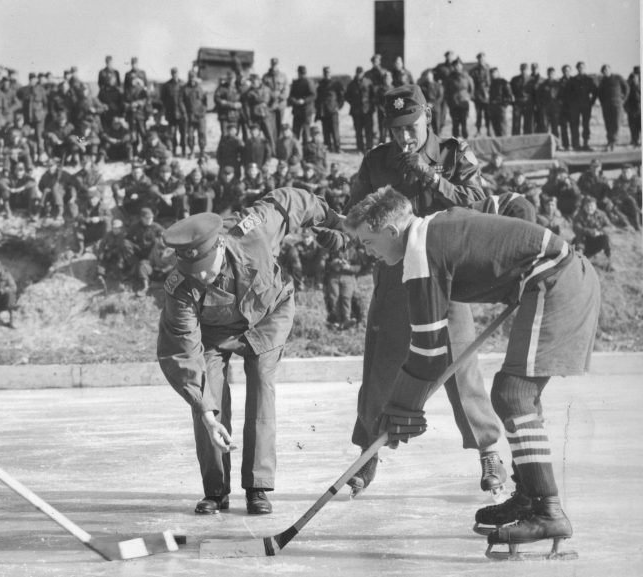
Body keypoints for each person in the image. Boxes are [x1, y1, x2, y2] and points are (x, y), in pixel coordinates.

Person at [343, 187, 599, 560]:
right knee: (510, 394)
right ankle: (531, 496)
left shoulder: (420, 253)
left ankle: (546, 511)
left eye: (368, 242)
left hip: (555, 280)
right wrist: (513, 253)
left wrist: (401, 408)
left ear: (392, 231)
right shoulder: (435, 224)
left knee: (514, 395)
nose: (368, 253)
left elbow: (429, 353)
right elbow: (514, 202)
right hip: (556, 276)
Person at [346, 84, 504, 499]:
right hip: (396, 282)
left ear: (428, 115)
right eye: (395, 129)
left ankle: (488, 451)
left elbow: (477, 201)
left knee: (461, 367)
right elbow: (356, 209)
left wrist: (432, 176)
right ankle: (368, 452)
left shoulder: (454, 154)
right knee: (381, 369)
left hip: (446, 280)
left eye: (411, 126)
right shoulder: (376, 161)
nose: (403, 137)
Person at [157, 188, 342, 516]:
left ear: (220, 245)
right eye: (192, 270)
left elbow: (287, 201)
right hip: (213, 333)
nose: (201, 275)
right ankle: (215, 491)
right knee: (208, 400)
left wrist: (331, 218)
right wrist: (205, 411)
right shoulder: (181, 287)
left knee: (261, 382)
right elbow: (182, 349)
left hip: (268, 315)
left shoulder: (252, 232)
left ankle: (258, 485)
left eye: (204, 265)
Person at [572, 196, 614, 271]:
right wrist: (590, 232)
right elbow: (576, 228)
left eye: (591, 206)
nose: (589, 208)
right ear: (584, 206)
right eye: (587, 206)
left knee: (606, 238)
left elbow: (610, 227)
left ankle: (609, 261)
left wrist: (600, 232)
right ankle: (580, 261)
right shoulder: (579, 215)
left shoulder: (601, 214)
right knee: (580, 237)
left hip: (596, 241)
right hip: (583, 242)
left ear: (595, 206)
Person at [567, 62, 598, 151]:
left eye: (582, 67)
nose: (581, 69)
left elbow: (595, 92)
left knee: (586, 125)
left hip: (586, 105)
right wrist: (571, 103)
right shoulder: (572, 80)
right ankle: (576, 145)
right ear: (577, 68)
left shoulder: (589, 79)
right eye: (579, 67)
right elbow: (568, 93)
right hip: (575, 106)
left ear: (585, 68)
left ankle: (586, 144)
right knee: (574, 125)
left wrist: (591, 102)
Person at [597, 65, 629, 152]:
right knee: (608, 124)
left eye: (607, 69)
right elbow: (599, 94)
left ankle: (613, 142)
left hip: (617, 105)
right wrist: (603, 103)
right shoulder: (603, 81)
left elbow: (626, 88)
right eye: (604, 70)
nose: (605, 71)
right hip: (606, 106)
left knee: (616, 123)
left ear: (610, 70)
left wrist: (622, 100)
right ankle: (609, 141)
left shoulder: (617, 78)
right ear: (602, 72)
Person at [315, 66, 344, 153]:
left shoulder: (336, 84)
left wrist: (338, 106)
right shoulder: (320, 84)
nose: (327, 74)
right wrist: (318, 109)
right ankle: (328, 147)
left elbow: (341, 97)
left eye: (328, 72)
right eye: (325, 72)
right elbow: (318, 98)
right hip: (323, 110)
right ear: (323, 73)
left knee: (335, 130)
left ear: (330, 73)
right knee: (325, 130)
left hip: (333, 110)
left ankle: (337, 147)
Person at [288, 66, 317, 145]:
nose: (301, 74)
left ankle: (306, 149)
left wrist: (304, 101)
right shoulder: (295, 83)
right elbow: (291, 95)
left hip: (306, 110)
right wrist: (295, 101)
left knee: (306, 131)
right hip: (297, 110)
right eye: (300, 73)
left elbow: (313, 95)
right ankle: (296, 149)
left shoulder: (309, 82)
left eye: (302, 73)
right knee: (295, 131)